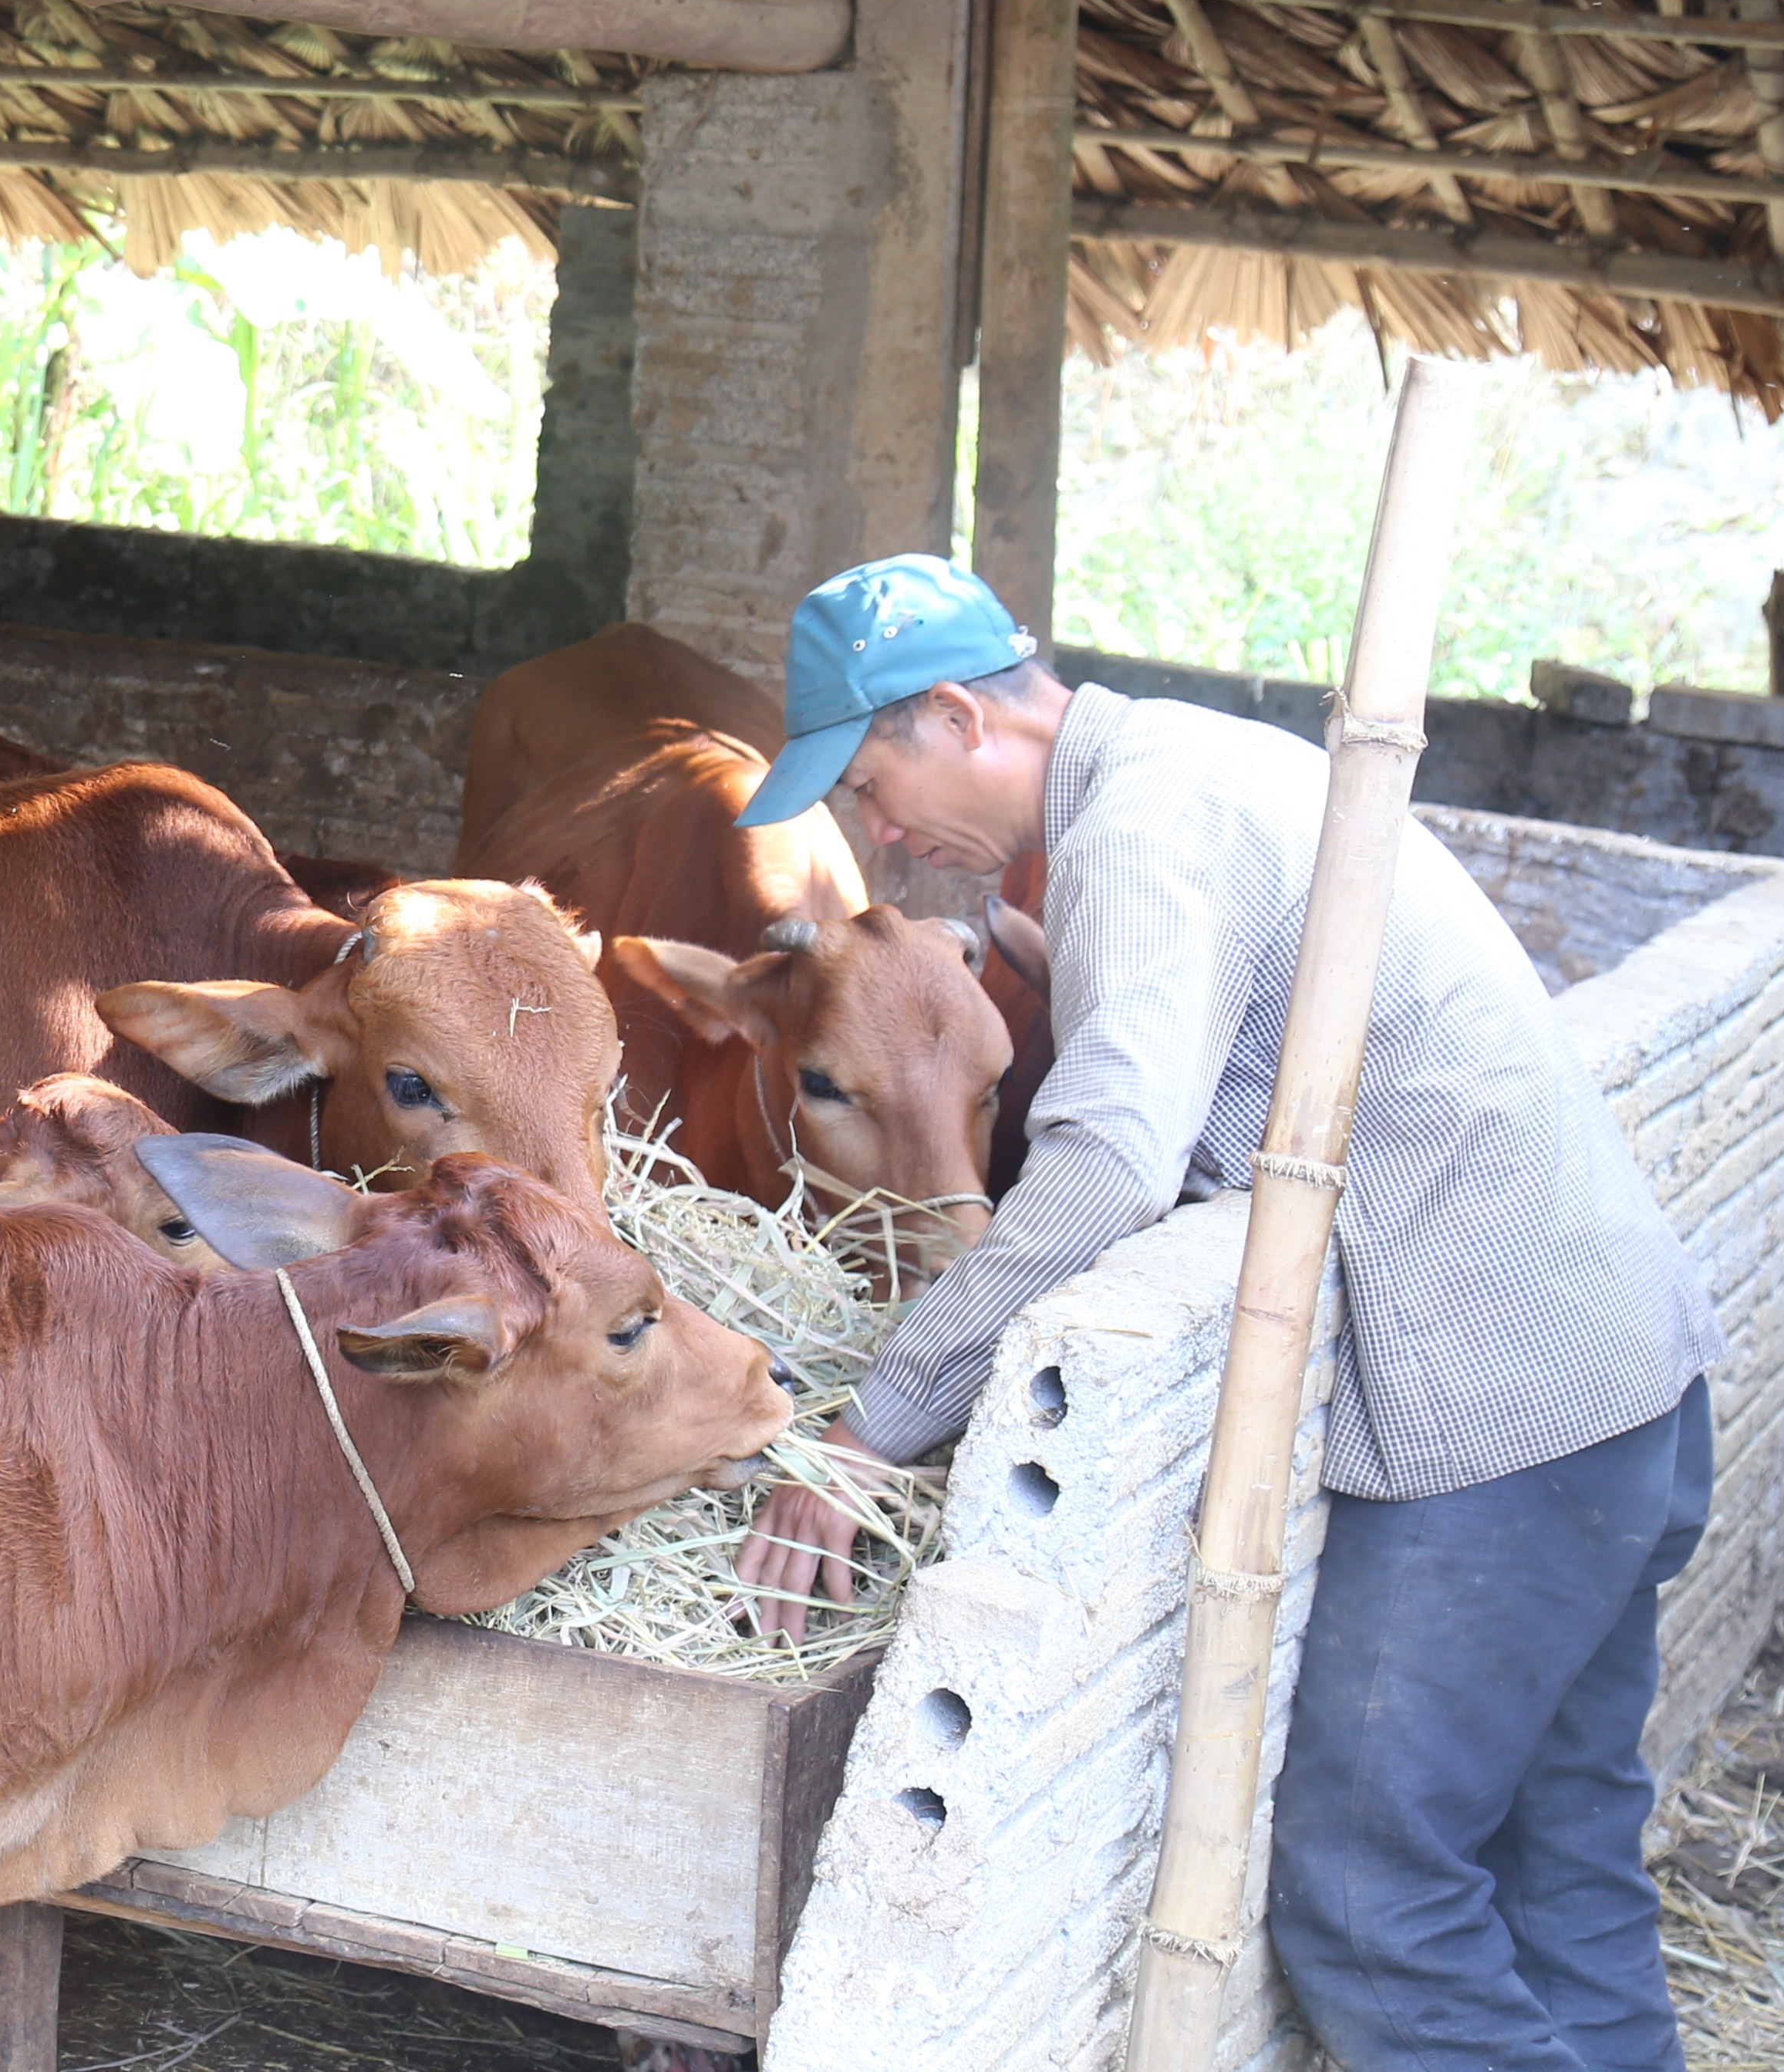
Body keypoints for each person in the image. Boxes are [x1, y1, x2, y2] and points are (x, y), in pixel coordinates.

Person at [727, 554, 1722, 2072]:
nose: (873, 835)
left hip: (1495, 1443)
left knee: (1360, 1904)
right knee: (1556, 1867)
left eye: (868, 784)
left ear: (951, 715)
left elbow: (1111, 1163)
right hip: (1619, 1389)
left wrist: (877, 1419)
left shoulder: (1140, 823)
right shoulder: (1209, 760)